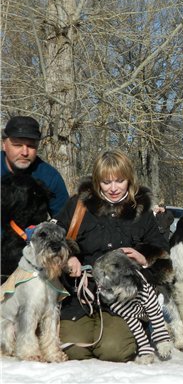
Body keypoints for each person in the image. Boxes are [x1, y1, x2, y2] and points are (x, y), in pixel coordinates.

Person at [55, 150, 169, 362]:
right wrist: (68, 256)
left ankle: (129, 331)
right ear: (98, 182)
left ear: (130, 180)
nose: (114, 188)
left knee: (114, 351)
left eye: (120, 180)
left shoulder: (141, 210)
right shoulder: (78, 205)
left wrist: (145, 258)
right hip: (82, 296)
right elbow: (56, 238)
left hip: (125, 299)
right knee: (73, 350)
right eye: (107, 182)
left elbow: (163, 256)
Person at [1, 115, 69, 215]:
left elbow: (64, 220)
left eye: (31, 146)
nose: (25, 152)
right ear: (4, 145)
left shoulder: (49, 177)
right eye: (18, 145)